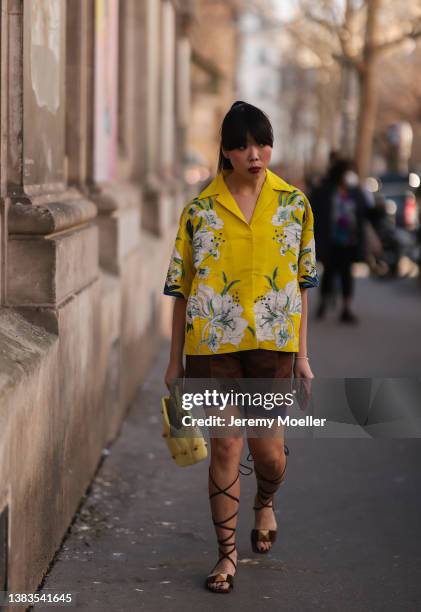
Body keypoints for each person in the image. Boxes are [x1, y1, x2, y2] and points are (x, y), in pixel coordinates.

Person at [163, 101, 318, 593]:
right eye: (242, 145)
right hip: (212, 347)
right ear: (226, 152)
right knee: (227, 445)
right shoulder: (200, 211)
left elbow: (302, 284)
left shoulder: (294, 205)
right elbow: (181, 289)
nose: (254, 154)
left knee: (267, 453)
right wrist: (173, 364)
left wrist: (302, 356)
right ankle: (226, 557)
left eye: (261, 142)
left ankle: (265, 501)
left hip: (272, 347)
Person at [311, 158, 367, 324]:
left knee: (346, 274)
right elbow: (314, 210)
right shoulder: (326, 191)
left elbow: (365, 212)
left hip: (350, 241)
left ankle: (346, 308)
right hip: (331, 240)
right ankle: (323, 302)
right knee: (328, 273)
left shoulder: (356, 192)